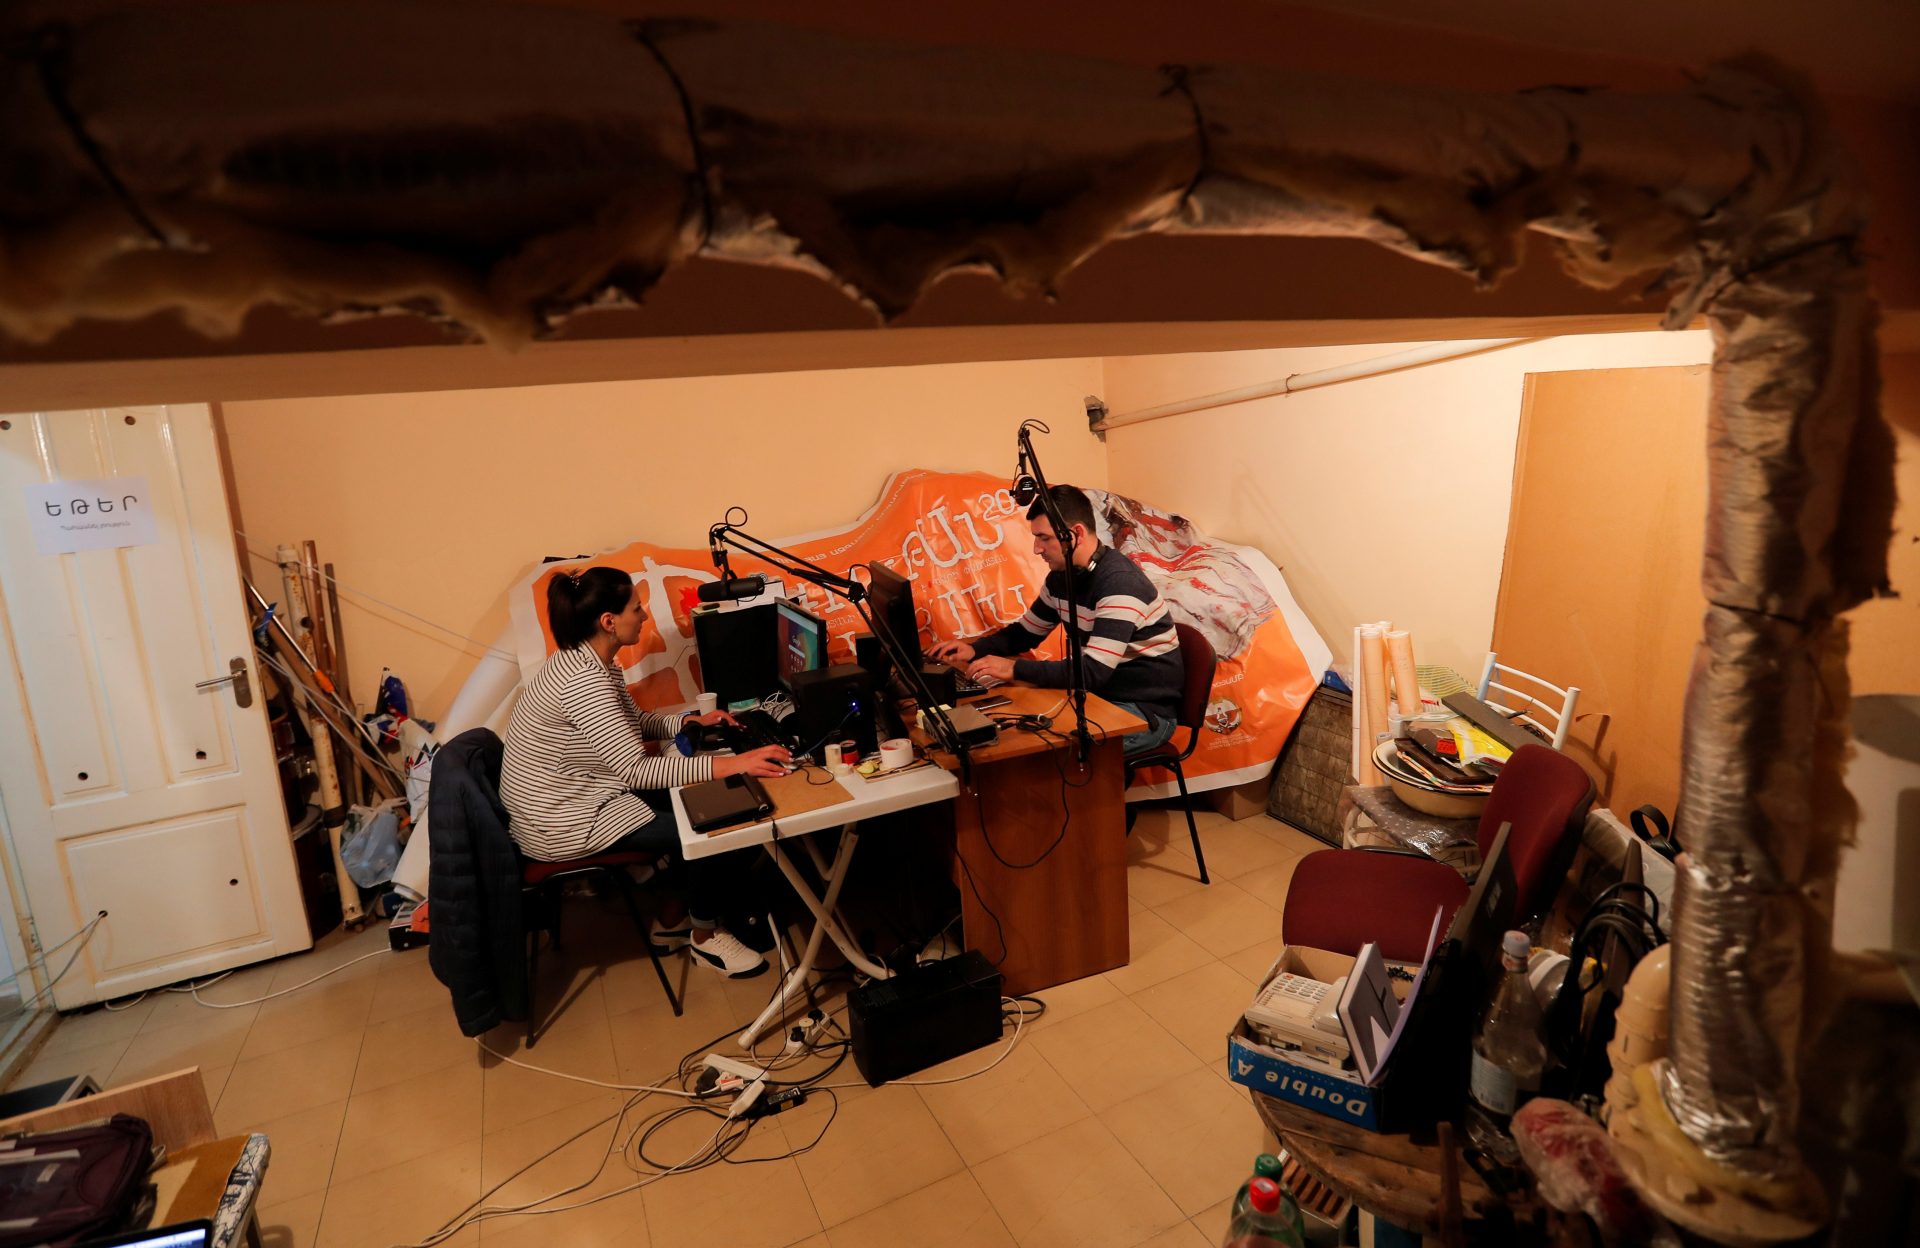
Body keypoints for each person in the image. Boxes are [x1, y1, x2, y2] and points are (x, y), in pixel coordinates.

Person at [500, 566, 789, 978]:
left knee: (696, 799)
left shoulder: (591, 662)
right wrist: (737, 762)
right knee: (717, 824)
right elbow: (636, 770)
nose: (645, 617)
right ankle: (705, 938)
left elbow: (633, 724)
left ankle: (673, 920)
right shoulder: (584, 681)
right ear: (609, 621)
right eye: (637, 609)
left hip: (574, 799)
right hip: (564, 821)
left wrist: (690, 723)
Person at [928, 485, 1184, 756]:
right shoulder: (1062, 578)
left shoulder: (1120, 584)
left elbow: (1092, 672)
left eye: (1044, 538)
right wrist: (975, 649)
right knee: (1024, 733)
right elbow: (1025, 634)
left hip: (1144, 712)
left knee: (1047, 751)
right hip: (1102, 697)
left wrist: (1014, 670)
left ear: (1076, 534)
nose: (1037, 549)